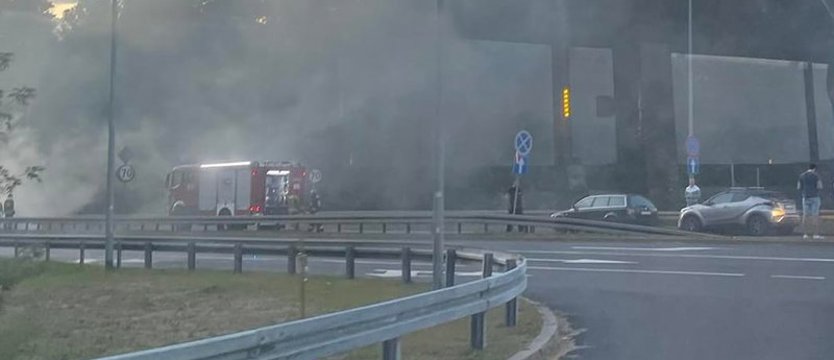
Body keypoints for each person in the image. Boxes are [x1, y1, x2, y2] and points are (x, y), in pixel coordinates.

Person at [798, 164, 823, 239]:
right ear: (815, 168)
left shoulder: (802, 176)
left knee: (805, 216)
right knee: (815, 215)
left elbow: (799, 187)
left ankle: (805, 234)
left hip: (805, 197)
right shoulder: (816, 175)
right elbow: (820, 186)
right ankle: (815, 235)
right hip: (815, 197)